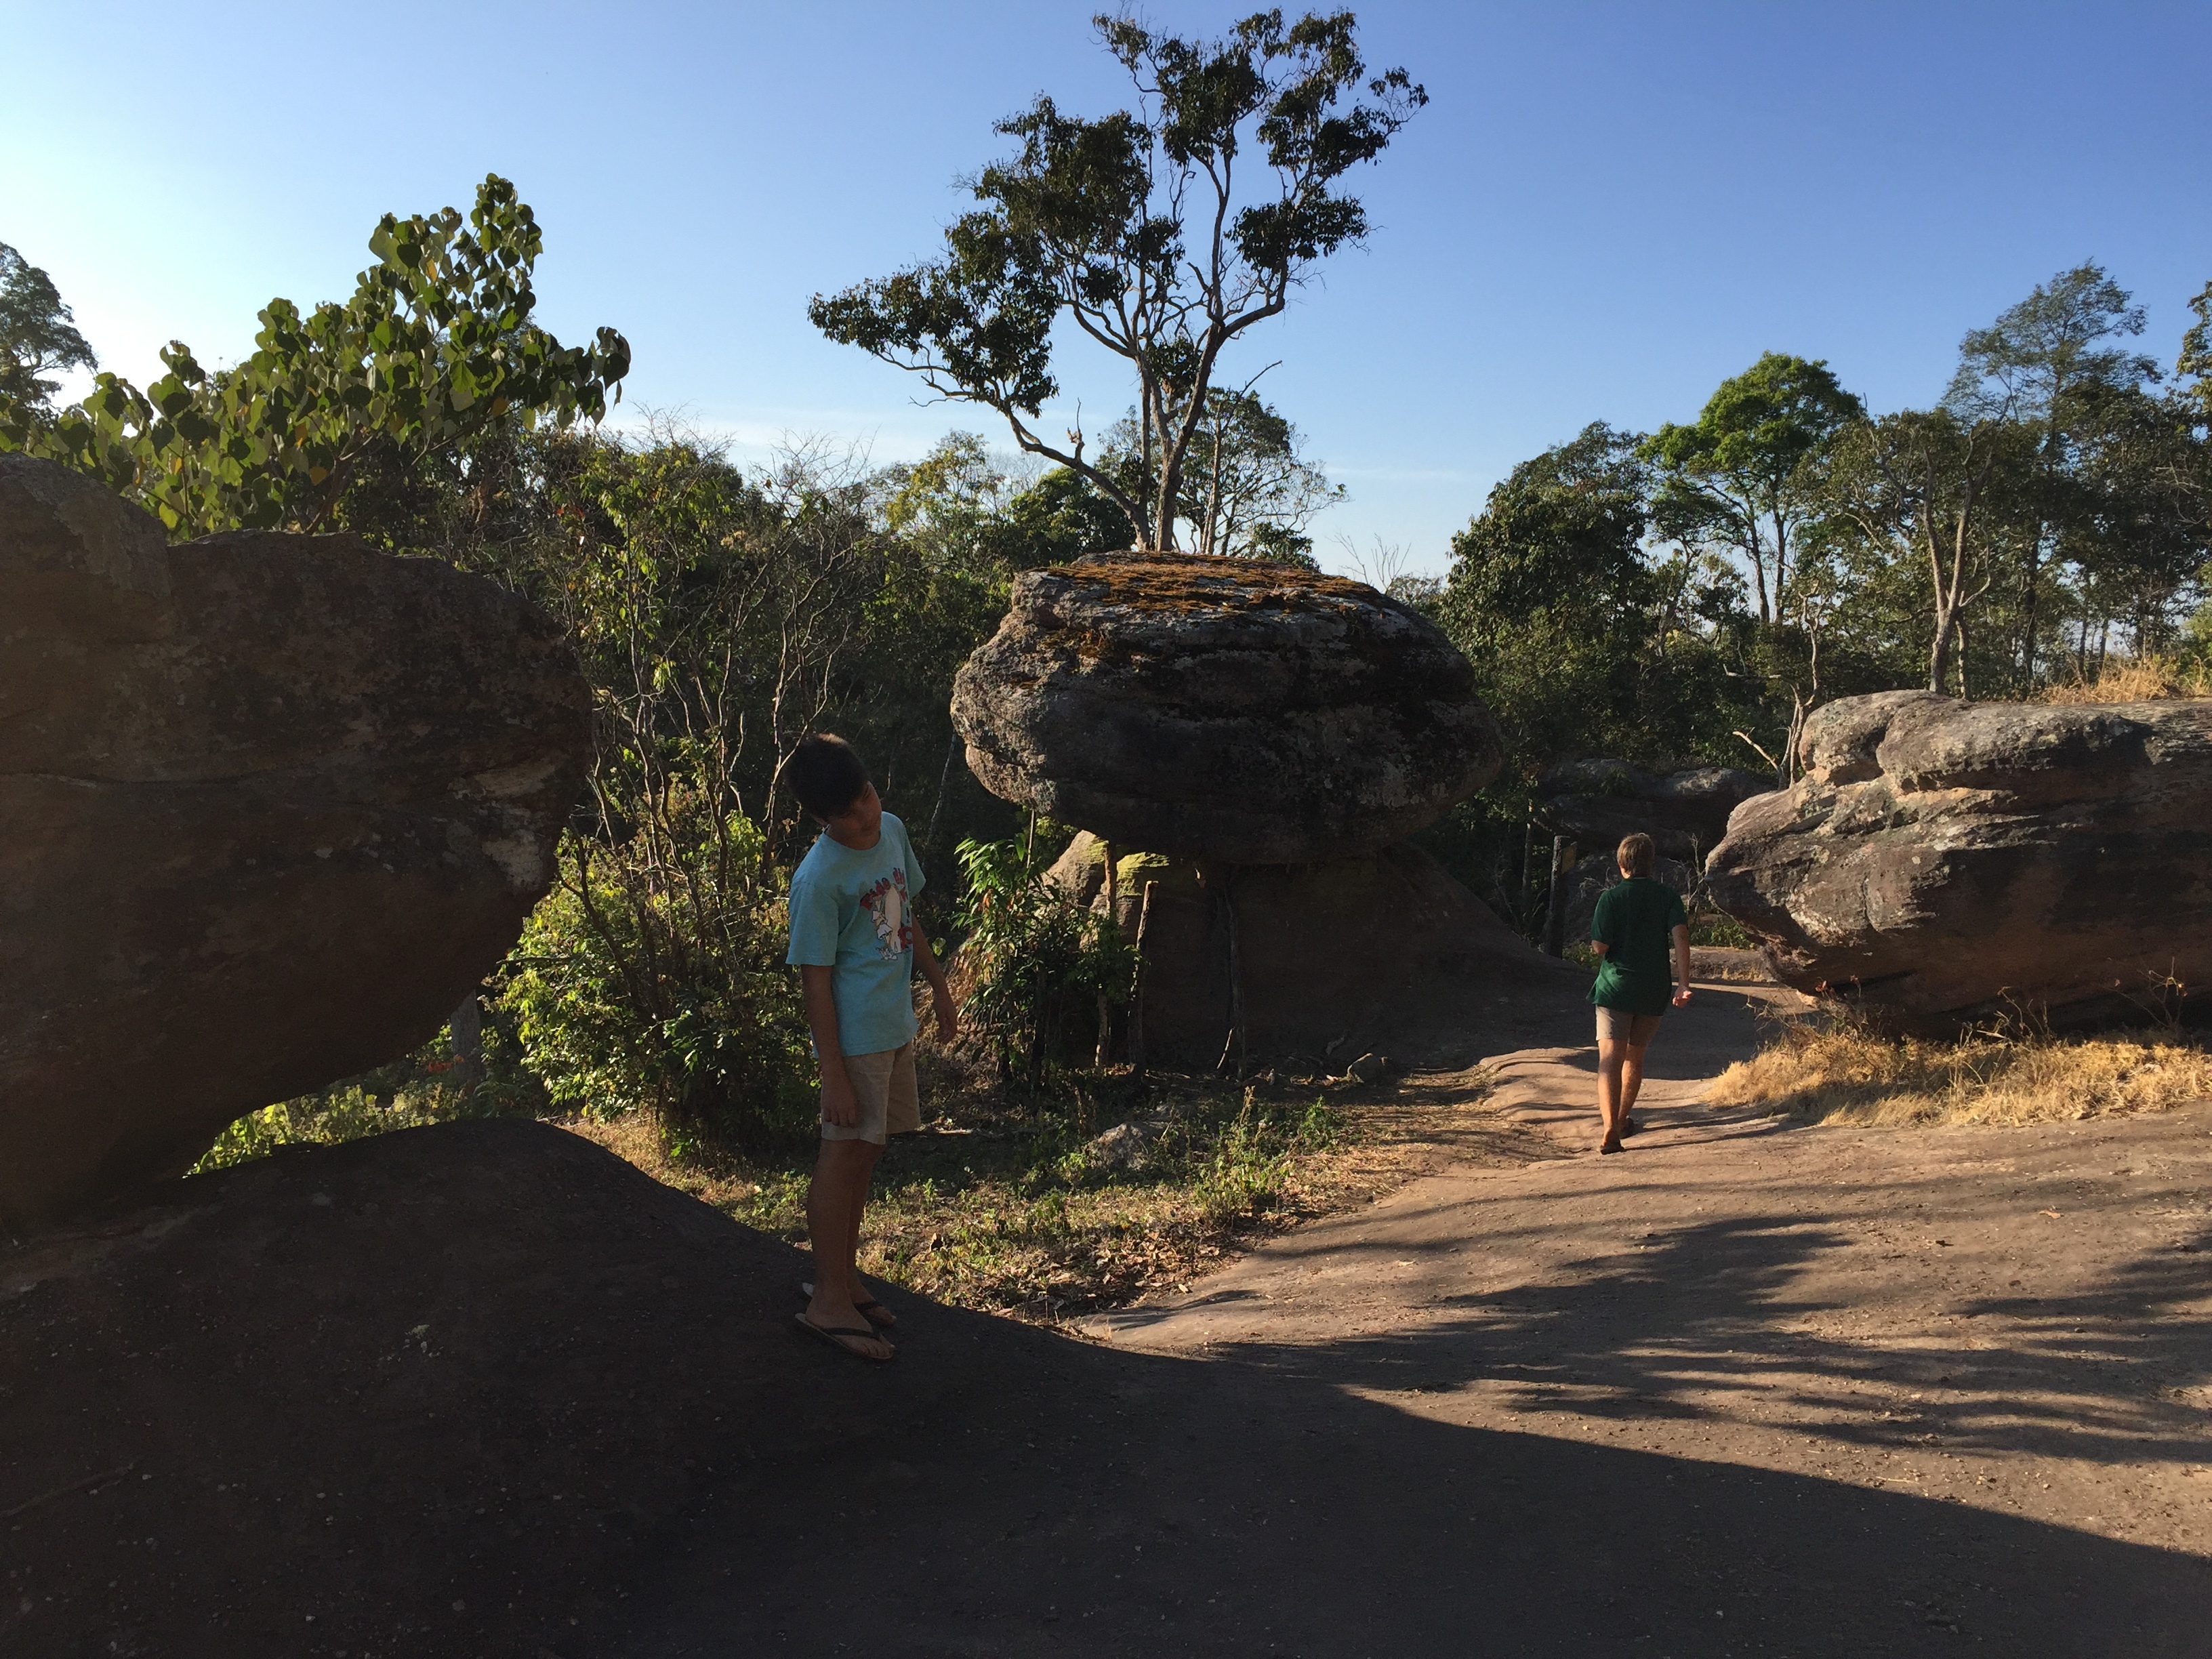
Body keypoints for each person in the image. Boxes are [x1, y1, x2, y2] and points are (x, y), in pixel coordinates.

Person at [783, 733, 958, 1361]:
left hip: (893, 1026)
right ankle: (826, 1301)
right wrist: (833, 1075)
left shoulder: (892, 831)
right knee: (842, 1154)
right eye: (849, 813)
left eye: (867, 798)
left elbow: (903, 917)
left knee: (865, 1155)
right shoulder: (817, 880)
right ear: (822, 820)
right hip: (853, 1040)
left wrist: (938, 989)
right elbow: (816, 979)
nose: (866, 817)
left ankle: (847, 1280)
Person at [1587, 832, 1692, 1155]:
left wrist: (1598, 945)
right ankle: (1621, 1120)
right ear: (1651, 863)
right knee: (1635, 1057)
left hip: (1615, 988)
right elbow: (1681, 935)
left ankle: (1609, 1129)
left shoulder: (1611, 899)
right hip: (1652, 989)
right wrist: (1684, 982)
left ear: (1621, 865)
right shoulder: (1667, 897)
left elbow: (1600, 946)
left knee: (1610, 1058)